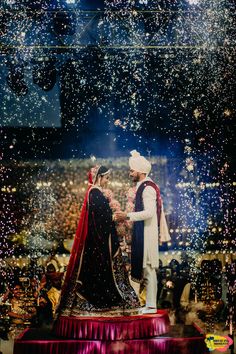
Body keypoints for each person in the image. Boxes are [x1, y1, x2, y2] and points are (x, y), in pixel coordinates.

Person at [57, 165, 140, 316]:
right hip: (100, 243)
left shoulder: (94, 193)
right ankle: (104, 306)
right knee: (101, 276)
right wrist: (115, 217)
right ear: (99, 177)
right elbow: (100, 219)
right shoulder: (94, 193)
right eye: (106, 178)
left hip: (99, 241)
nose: (108, 181)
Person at [115, 150, 170, 314]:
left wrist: (127, 215)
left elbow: (150, 213)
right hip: (144, 234)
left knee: (149, 270)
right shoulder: (144, 185)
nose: (130, 173)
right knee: (147, 270)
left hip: (147, 235)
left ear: (140, 172)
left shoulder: (147, 188)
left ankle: (151, 306)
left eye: (132, 170)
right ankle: (150, 305)